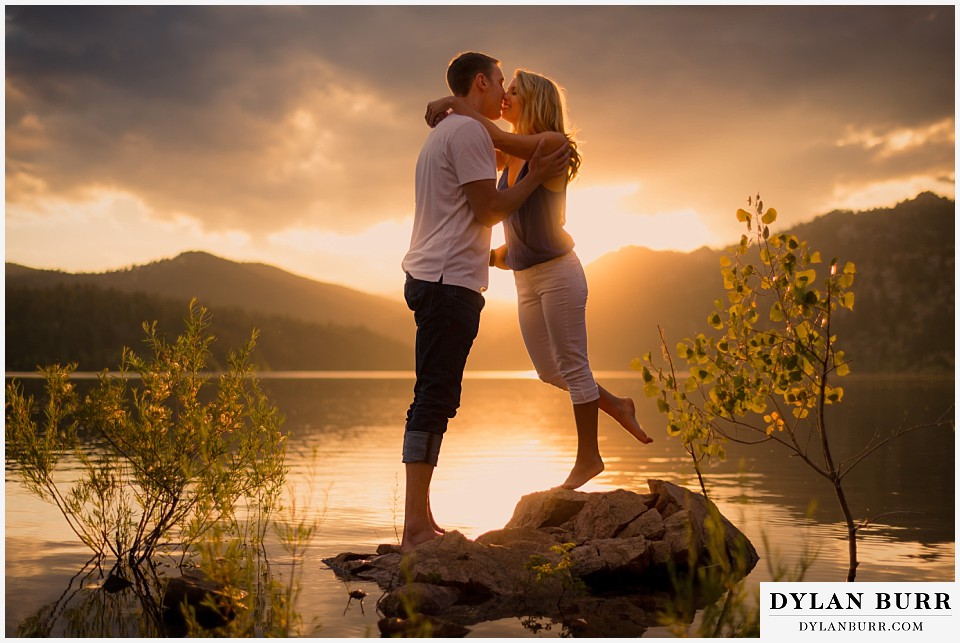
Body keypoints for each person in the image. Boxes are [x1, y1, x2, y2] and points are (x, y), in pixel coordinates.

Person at [425, 68, 653, 492]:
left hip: (560, 274)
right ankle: (618, 405)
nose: (505, 97)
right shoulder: (509, 157)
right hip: (525, 279)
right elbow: (513, 228)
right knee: (549, 370)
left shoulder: (551, 143)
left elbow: (500, 138)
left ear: (534, 100)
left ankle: (590, 459)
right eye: (504, 90)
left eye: (513, 92)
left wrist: (456, 104)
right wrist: (482, 255)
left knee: (573, 365)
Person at [400, 52, 571, 553]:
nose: (504, 91)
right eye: (500, 81)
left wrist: (453, 106)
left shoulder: (446, 133)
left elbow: (502, 155)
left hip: (431, 275)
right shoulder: (469, 133)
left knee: (435, 397)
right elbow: (489, 209)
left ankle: (422, 520)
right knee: (433, 399)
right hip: (448, 282)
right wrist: (535, 178)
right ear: (481, 81)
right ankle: (414, 528)